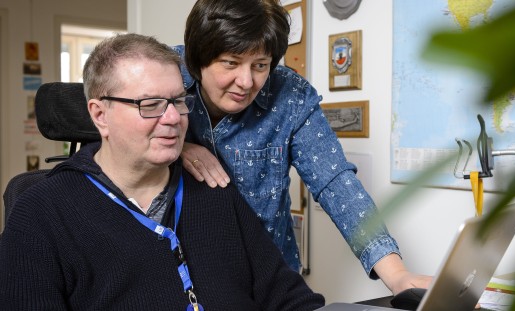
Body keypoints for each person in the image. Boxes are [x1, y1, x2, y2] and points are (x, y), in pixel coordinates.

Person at [0, 33, 325, 310]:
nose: (173, 118)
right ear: (100, 115)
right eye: (150, 104)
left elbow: (290, 299)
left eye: (178, 101)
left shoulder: (214, 190)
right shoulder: (40, 215)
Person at [176, 0, 432, 295]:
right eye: (231, 63)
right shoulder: (161, 73)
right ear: (198, 60)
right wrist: (179, 146)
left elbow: (335, 181)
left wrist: (397, 274)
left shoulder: (291, 95)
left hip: (270, 278)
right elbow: (114, 132)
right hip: (189, 277)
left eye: (260, 65)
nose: (246, 82)